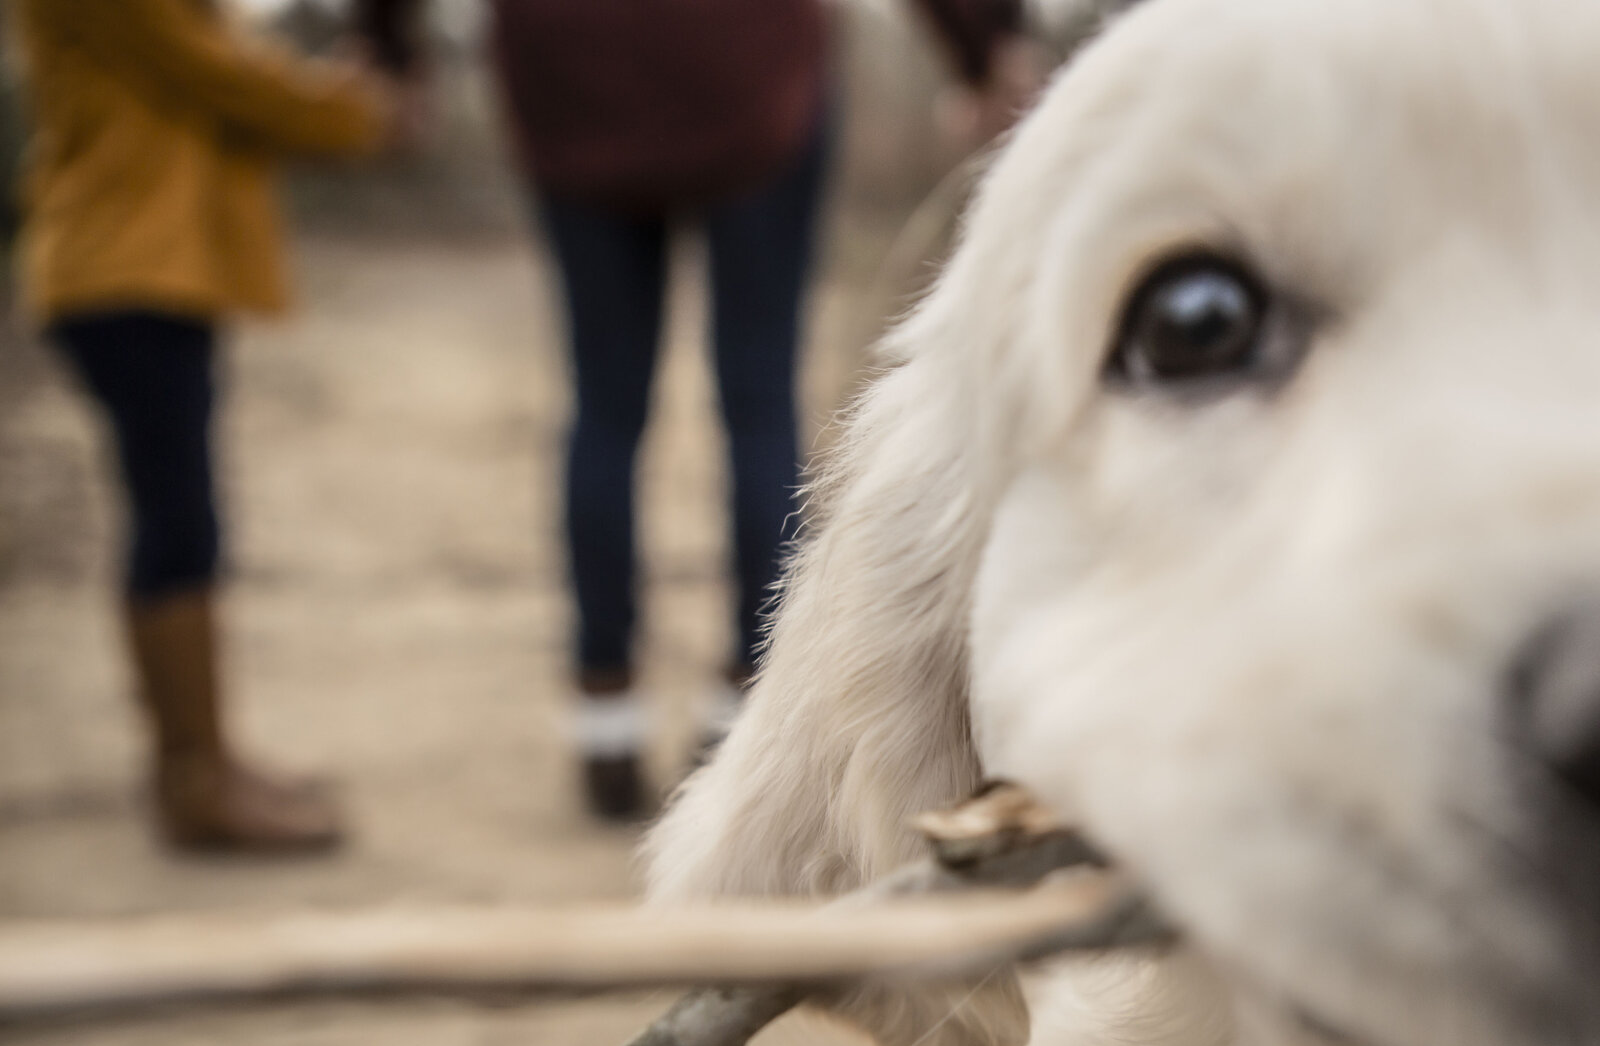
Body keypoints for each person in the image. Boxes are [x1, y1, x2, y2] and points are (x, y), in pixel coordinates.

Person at [359, 0, 1042, 823]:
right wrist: (978, 51)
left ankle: (602, 713)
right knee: (757, 400)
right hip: (746, 69)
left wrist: (390, 52)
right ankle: (745, 710)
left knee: (604, 403)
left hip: (570, 76)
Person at [12, 0, 400, 852]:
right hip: (123, 264)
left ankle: (201, 758)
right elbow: (214, 69)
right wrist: (345, 109)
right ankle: (195, 781)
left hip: (143, 264)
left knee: (181, 515)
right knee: (177, 519)